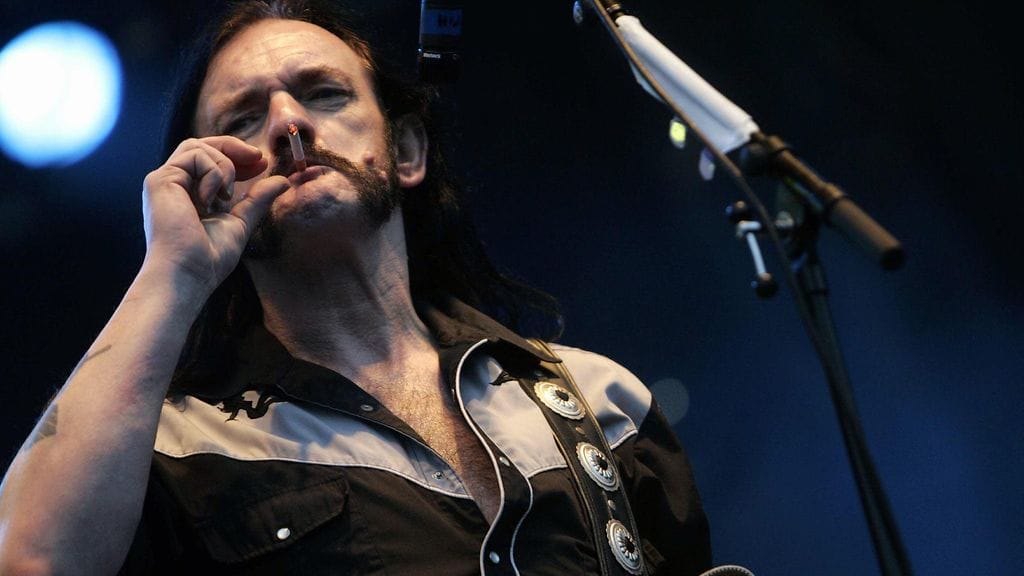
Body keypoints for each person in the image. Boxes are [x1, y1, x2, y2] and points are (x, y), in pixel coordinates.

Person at [0, 1, 712, 574]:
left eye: (324, 94)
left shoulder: (600, 400)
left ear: (406, 151)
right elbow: (30, 560)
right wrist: (172, 271)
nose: (288, 123)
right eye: (243, 119)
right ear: (210, 184)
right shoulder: (179, 448)